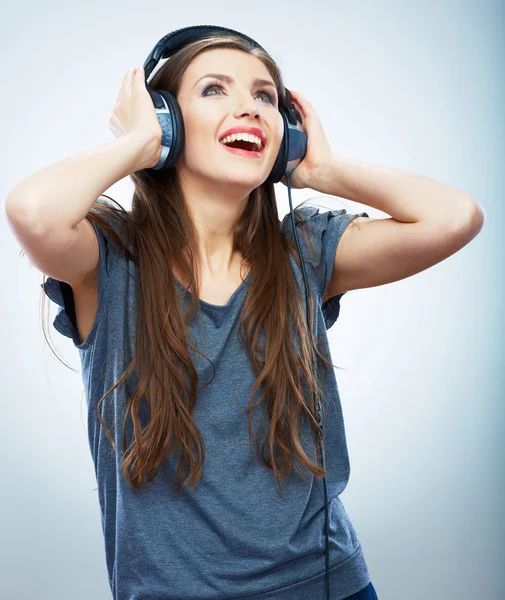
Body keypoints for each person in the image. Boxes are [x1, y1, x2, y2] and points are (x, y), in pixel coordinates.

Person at [5, 30, 483, 600]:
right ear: (167, 122)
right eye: (214, 90)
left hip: (329, 584)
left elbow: (455, 217)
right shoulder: (110, 258)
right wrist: (138, 144)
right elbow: (32, 212)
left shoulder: (304, 250)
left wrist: (321, 171)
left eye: (264, 96)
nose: (249, 108)